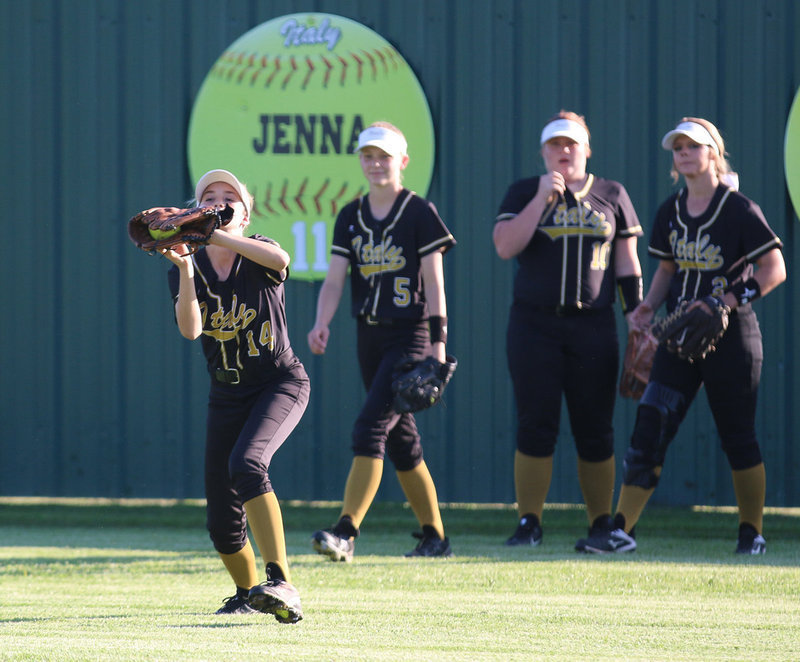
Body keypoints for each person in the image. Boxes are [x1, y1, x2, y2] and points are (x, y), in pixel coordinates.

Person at [583, 117, 786, 554]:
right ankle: (622, 530)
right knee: (650, 426)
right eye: (677, 148)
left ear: (713, 152)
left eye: (692, 146)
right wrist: (647, 307)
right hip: (680, 335)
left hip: (730, 336)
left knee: (738, 435)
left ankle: (752, 532)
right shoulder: (669, 211)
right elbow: (668, 270)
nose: (684, 153)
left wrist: (726, 302)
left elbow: (775, 269)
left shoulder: (739, 209)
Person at [160, 169, 310, 622]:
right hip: (227, 393)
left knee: (248, 462)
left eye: (230, 197)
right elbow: (190, 330)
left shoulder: (258, 249)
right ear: (194, 210)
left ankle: (281, 582)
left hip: (279, 382)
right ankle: (248, 594)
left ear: (245, 214)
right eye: (210, 196)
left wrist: (219, 236)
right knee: (222, 523)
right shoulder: (191, 264)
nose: (220, 200)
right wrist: (186, 267)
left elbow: (281, 258)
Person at [493, 111, 644, 551]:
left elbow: (627, 260)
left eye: (571, 144)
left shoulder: (611, 193)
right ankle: (529, 522)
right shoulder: (525, 191)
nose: (563, 151)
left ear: (586, 149)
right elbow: (505, 246)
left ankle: (600, 523)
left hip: (592, 325)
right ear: (543, 151)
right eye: (555, 145)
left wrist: (635, 313)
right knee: (535, 424)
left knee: (595, 428)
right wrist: (541, 199)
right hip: (533, 324)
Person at [307, 121, 456, 561]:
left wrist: (438, 343)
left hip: (408, 337)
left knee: (370, 427)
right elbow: (335, 280)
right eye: (368, 156)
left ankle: (346, 532)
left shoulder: (418, 211)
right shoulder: (349, 215)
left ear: (403, 162)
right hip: (368, 336)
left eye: (384, 156)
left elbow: (434, 279)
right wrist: (322, 322)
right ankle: (435, 538)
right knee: (401, 440)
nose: (375, 164)